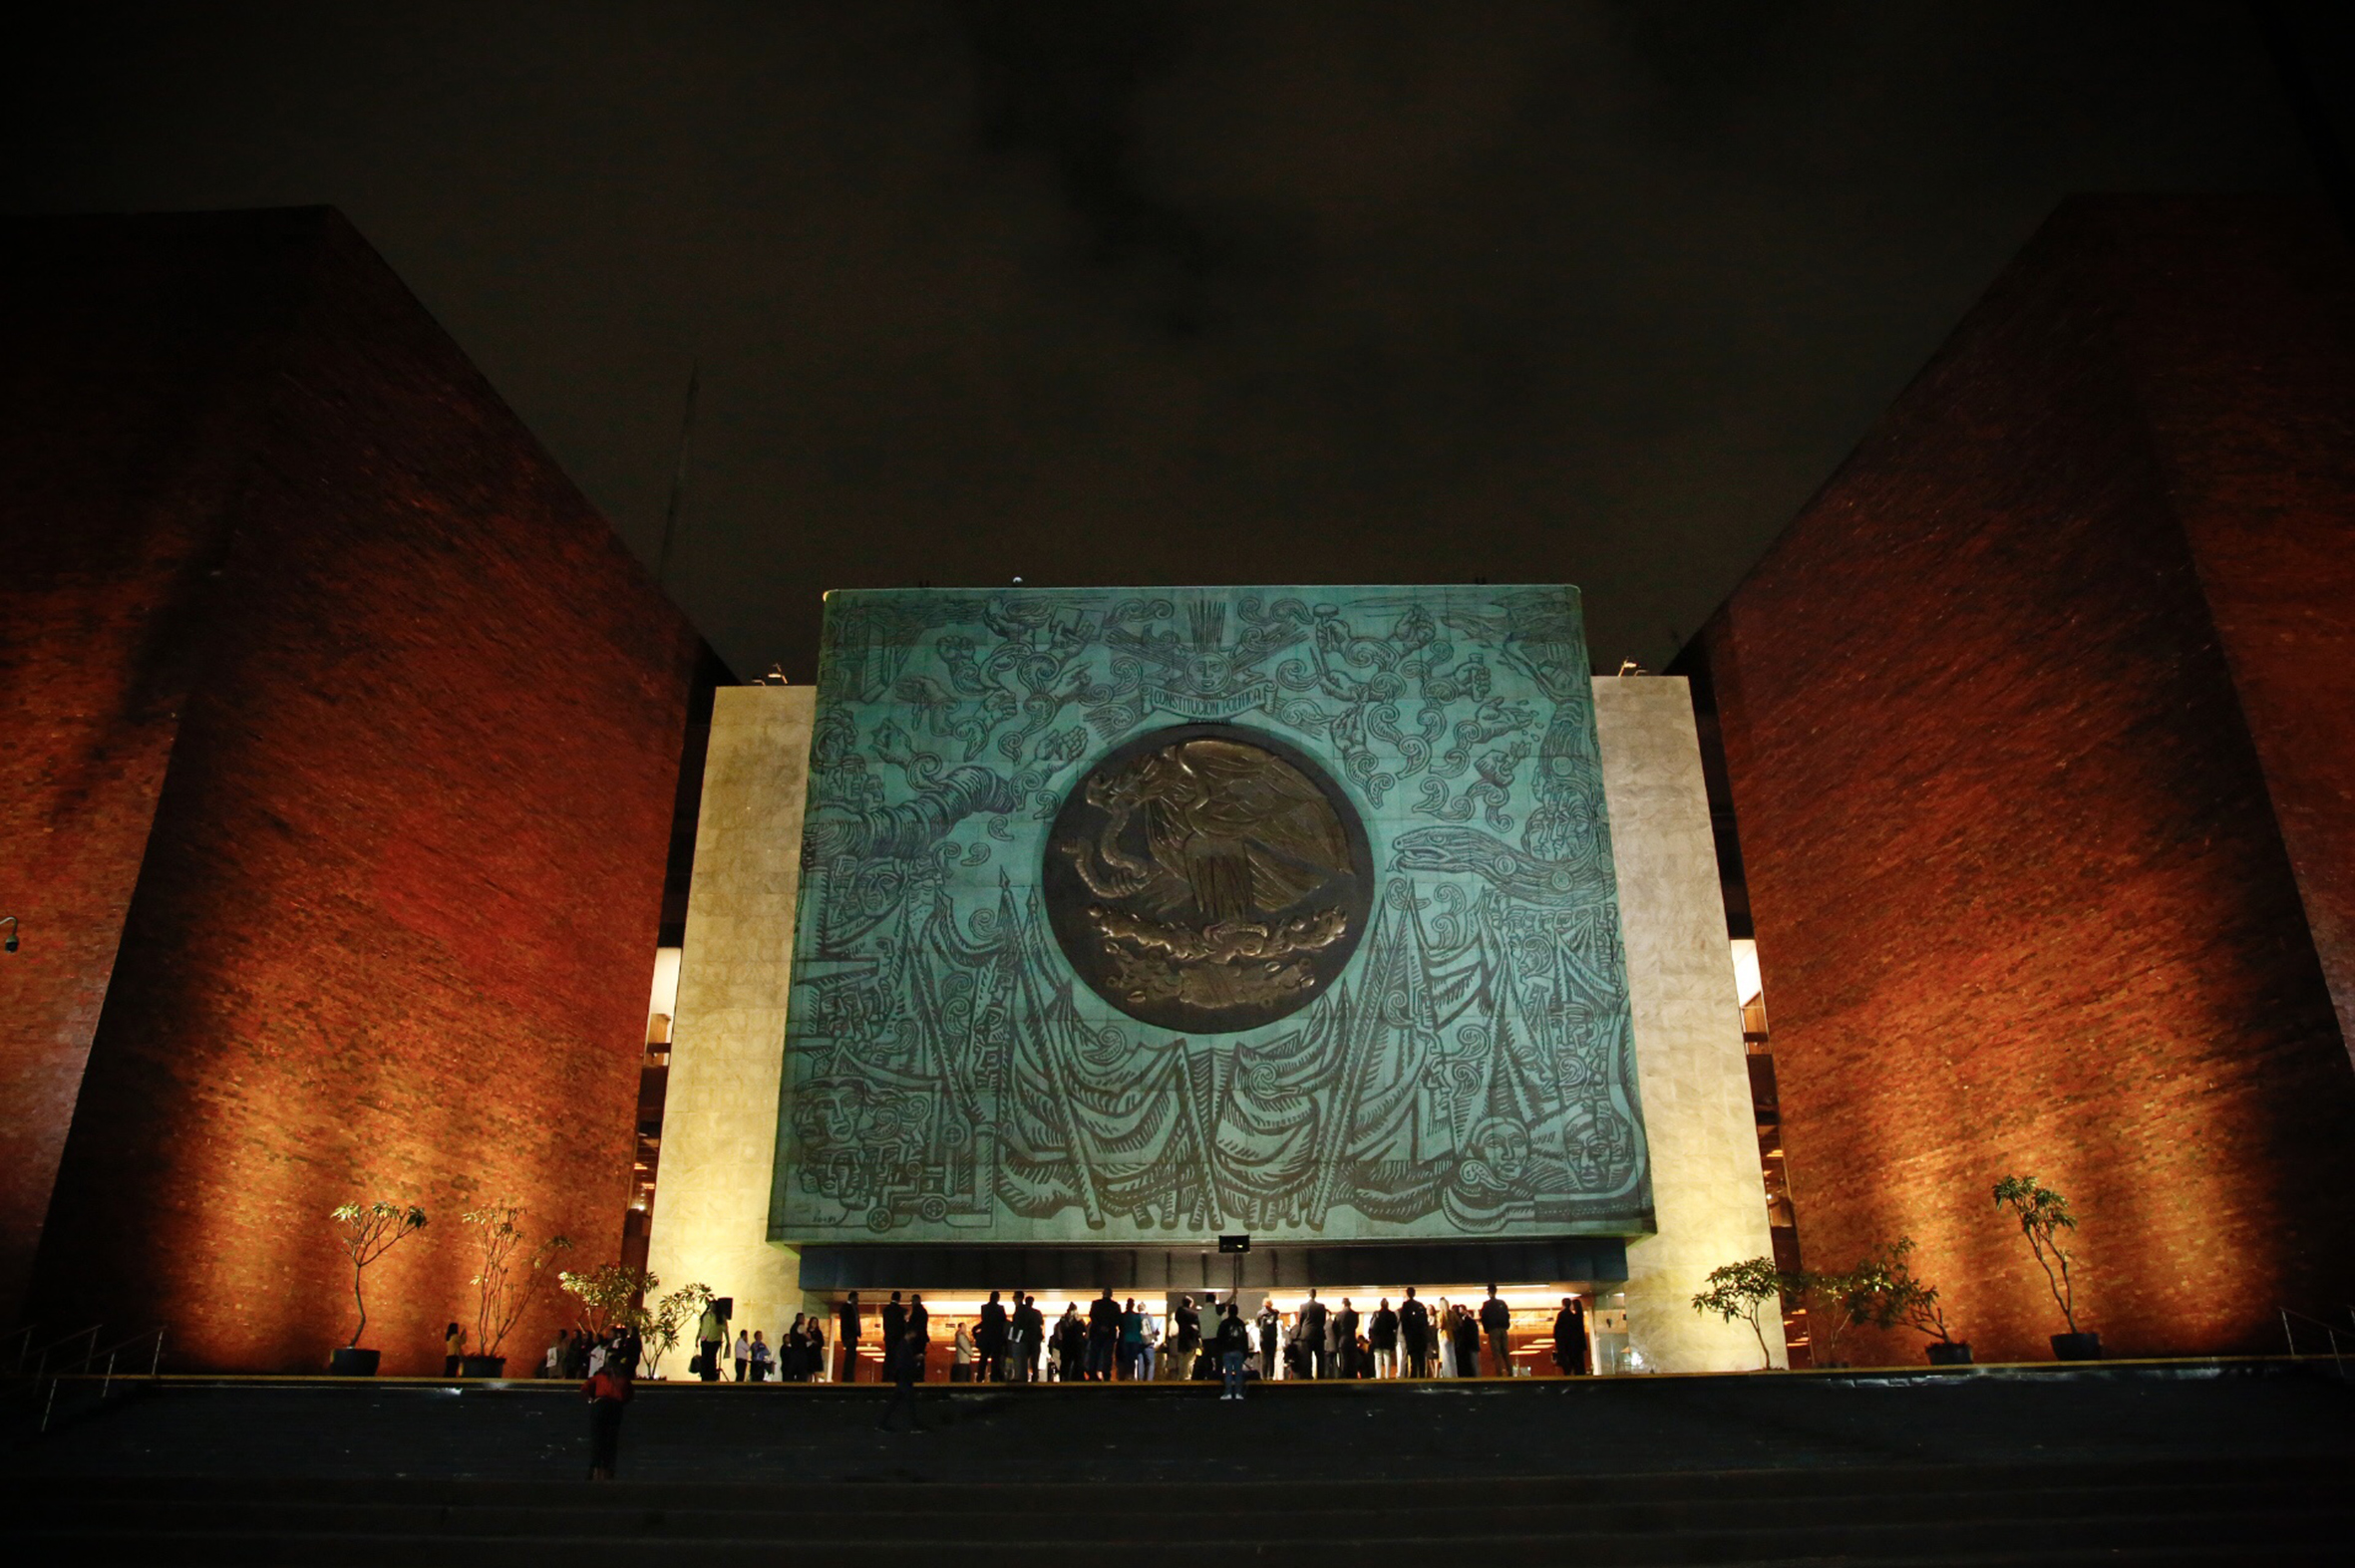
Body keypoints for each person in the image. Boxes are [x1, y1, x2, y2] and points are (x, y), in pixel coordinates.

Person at [584, 1349, 633, 1479]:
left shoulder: (600, 1376)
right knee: (611, 1440)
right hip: (616, 1407)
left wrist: (591, 1399)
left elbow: (585, 1387)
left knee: (597, 1438)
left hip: (600, 1405)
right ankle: (608, 1470)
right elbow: (629, 1394)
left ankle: (594, 1469)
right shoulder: (623, 1377)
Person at [876, 1317, 926, 1432]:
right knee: (909, 1402)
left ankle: (882, 1423)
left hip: (902, 1377)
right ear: (910, 1333)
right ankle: (913, 1425)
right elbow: (904, 1362)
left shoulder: (902, 1345)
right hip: (905, 1377)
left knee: (895, 1402)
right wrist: (916, 1360)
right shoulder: (904, 1346)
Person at [1214, 1301, 1251, 1402]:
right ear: (1237, 1312)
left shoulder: (1224, 1323)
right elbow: (1244, 1339)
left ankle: (1228, 1393)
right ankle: (1238, 1393)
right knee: (1239, 1373)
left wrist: (1220, 1350)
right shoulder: (1241, 1323)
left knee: (1228, 1373)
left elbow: (1219, 1338)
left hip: (1227, 1351)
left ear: (1228, 1312)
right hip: (1239, 1351)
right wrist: (1245, 1352)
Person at [1087, 1287, 1122, 1382]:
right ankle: (1106, 1374)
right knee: (1107, 1355)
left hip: (1096, 1333)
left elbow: (1092, 1316)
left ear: (1103, 1294)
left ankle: (1092, 1374)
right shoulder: (1115, 1305)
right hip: (1109, 1334)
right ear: (1111, 1295)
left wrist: (1100, 1326)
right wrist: (1108, 1327)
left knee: (1095, 1354)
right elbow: (1117, 1319)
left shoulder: (1096, 1304)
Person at [1552, 1296, 1589, 1377]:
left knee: (1567, 1367)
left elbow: (1557, 1330)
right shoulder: (1576, 1317)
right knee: (1577, 1366)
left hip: (1566, 1345)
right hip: (1576, 1345)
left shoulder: (1562, 1315)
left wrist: (1558, 1343)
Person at [1481, 1286, 1514, 1378]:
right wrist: (1506, 1326)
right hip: (1503, 1329)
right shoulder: (1502, 1303)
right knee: (1505, 1351)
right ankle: (1510, 1371)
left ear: (1488, 1292)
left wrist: (1486, 1329)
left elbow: (1484, 1317)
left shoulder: (1486, 1304)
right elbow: (1507, 1315)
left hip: (1493, 1330)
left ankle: (1499, 1373)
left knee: (1496, 1352)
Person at [977, 1289, 1009, 1384]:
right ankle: (993, 1377)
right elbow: (1003, 1321)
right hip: (996, 1337)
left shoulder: (984, 1308)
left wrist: (977, 1329)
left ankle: (980, 1376)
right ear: (998, 1298)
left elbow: (984, 1322)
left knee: (984, 1358)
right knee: (995, 1359)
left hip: (986, 1336)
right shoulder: (1000, 1308)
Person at [1168, 1294, 1200, 1383]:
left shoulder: (1178, 1313)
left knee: (1182, 1361)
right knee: (1189, 1361)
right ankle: (1186, 1378)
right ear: (1190, 1303)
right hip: (1190, 1341)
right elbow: (1197, 1316)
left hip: (1182, 1341)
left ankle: (1181, 1377)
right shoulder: (1189, 1313)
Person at [1297, 1289, 1329, 1380]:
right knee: (1320, 1357)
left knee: (1307, 1357)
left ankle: (1308, 1376)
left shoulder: (1303, 1306)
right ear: (1315, 1295)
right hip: (1318, 1334)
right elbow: (1323, 1320)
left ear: (1308, 1295)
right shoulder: (1321, 1306)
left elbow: (1300, 1321)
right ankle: (1321, 1376)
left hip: (1306, 1334)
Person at [1399, 1287, 1431, 1378]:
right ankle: (1422, 1376)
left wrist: (1405, 1334)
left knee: (1413, 1359)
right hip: (1420, 1336)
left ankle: (1413, 1376)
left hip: (1411, 1336)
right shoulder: (1420, 1305)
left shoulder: (1406, 1305)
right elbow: (1425, 1322)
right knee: (1421, 1359)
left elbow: (1404, 1321)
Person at [696, 1297, 728, 1383]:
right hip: (705, 1339)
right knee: (704, 1359)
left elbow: (725, 1330)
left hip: (714, 1340)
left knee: (711, 1359)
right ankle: (704, 1377)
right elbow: (701, 1328)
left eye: (714, 1306)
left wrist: (728, 1341)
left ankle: (711, 1377)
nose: (712, 1308)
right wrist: (697, 1338)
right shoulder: (705, 1316)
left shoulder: (720, 1317)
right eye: (711, 1306)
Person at [1014, 1294, 1044, 1383]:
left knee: (1024, 1360)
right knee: (1034, 1361)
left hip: (1025, 1339)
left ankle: (1024, 1377)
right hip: (1035, 1339)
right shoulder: (1037, 1312)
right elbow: (1041, 1322)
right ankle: (1035, 1377)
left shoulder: (1021, 1312)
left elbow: (1017, 1325)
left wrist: (1015, 1339)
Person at [1454, 1300, 1483, 1381]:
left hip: (1470, 1347)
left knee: (1474, 1365)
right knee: (1474, 1366)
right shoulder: (1469, 1322)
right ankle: (1478, 1380)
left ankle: (1478, 1380)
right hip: (1471, 1347)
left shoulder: (1467, 1322)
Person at [1370, 1298, 1398, 1379]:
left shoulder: (1376, 1313)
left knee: (1378, 1356)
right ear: (1387, 1305)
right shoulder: (1391, 1314)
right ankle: (1387, 1375)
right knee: (1387, 1356)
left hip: (1377, 1339)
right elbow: (1395, 1326)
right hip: (1388, 1338)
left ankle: (1378, 1375)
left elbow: (1372, 1326)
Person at [838, 1291, 862, 1385]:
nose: (858, 1300)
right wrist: (847, 1336)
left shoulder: (853, 1308)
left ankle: (849, 1376)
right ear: (853, 1298)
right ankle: (847, 1377)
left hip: (853, 1336)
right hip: (849, 1337)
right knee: (849, 1357)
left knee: (852, 1357)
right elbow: (845, 1324)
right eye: (856, 1298)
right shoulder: (846, 1308)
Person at [1057, 1303, 1086, 1383]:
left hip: (1068, 1343)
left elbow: (1060, 1331)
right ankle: (1075, 1377)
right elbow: (1084, 1329)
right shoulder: (1077, 1319)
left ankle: (1065, 1377)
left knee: (1067, 1362)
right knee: (1075, 1362)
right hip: (1075, 1343)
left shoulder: (1064, 1319)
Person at [1333, 1298, 1360, 1380]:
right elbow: (1355, 1326)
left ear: (1343, 1304)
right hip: (1352, 1339)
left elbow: (1335, 1327)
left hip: (1342, 1339)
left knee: (1343, 1359)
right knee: (1352, 1359)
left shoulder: (1339, 1315)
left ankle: (1344, 1376)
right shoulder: (1355, 1314)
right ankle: (1352, 1376)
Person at [1254, 1299, 1281, 1380]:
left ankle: (1264, 1376)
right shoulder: (1275, 1313)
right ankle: (1271, 1376)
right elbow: (1277, 1315)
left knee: (1264, 1357)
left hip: (1263, 1339)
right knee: (1271, 1358)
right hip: (1272, 1338)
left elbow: (1258, 1324)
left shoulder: (1259, 1313)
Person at [805, 1316, 827, 1384]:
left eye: (815, 1322)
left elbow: (821, 1343)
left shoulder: (818, 1332)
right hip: (808, 1355)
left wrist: (814, 1342)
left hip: (816, 1355)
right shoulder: (806, 1331)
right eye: (813, 1322)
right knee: (808, 1374)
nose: (814, 1323)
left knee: (816, 1374)